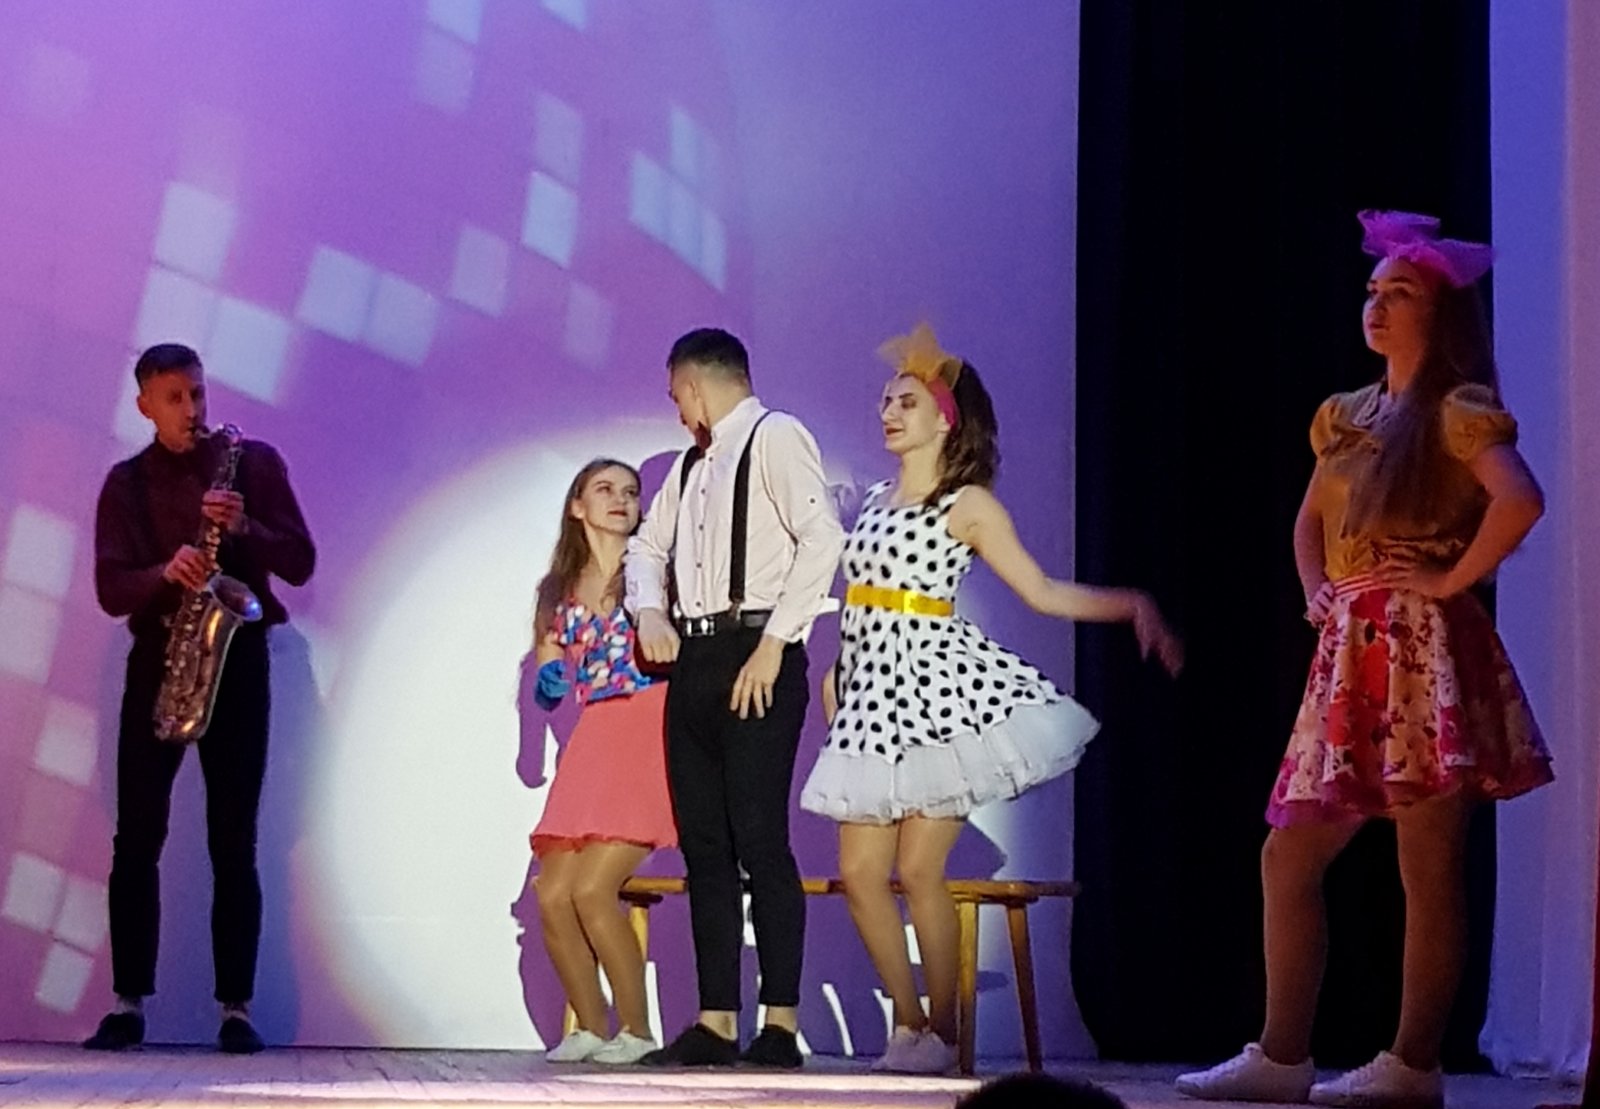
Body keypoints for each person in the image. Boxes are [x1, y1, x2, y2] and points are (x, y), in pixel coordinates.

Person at [1175, 211, 1553, 1106]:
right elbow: (1308, 521)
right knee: (1288, 854)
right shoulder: (1348, 416)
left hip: (1420, 648)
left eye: (1401, 292)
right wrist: (1319, 590)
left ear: (1440, 314)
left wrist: (1451, 577)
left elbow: (1520, 499)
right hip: (1352, 644)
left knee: (1427, 859)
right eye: (1373, 290)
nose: (1377, 305)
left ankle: (1412, 1062)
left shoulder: (1457, 411)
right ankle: (1281, 1053)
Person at [799, 324, 1183, 1074]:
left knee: (919, 871)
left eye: (906, 402)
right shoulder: (872, 501)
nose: (889, 411)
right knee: (862, 873)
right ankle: (910, 1024)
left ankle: (943, 1033)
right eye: (886, 401)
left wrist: (1131, 604)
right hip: (871, 699)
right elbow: (861, 600)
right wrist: (837, 670)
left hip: (936, 692)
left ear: (946, 419)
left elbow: (1040, 591)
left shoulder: (966, 503)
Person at [85, 342, 315, 1053]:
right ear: (145, 406)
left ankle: (236, 1008)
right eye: (174, 399)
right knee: (136, 838)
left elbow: (301, 561)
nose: (191, 410)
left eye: (197, 394)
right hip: (161, 659)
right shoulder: (127, 484)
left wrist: (245, 526)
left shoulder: (253, 464)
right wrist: (166, 570)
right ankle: (128, 1002)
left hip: (238, 662)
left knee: (235, 839)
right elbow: (109, 588)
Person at [625, 327, 846, 1068]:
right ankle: (716, 1020)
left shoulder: (775, 435)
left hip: (758, 649)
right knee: (705, 846)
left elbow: (822, 539)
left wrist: (776, 643)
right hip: (696, 658)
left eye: (676, 396)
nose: (678, 411)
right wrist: (649, 611)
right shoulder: (692, 465)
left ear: (693, 385)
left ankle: (779, 1022)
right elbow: (646, 547)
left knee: (759, 838)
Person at [526, 459, 676, 1065]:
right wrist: (547, 681)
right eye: (605, 489)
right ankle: (589, 1025)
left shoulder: (653, 572)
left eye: (631, 491)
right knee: (552, 893)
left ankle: (636, 1029)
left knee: (593, 889)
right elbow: (546, 657)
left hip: (647, 726)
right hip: (593, 738)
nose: (621, 499)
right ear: (577, 506)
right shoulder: (557, 589)